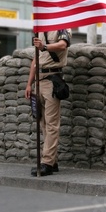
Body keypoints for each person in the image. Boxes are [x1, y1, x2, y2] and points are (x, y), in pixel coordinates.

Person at [25, 29, 71, 176]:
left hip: (52, 79)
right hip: (39, 80)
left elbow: (63, 45)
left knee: (51, 123)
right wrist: (29, 84)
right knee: (43, 123)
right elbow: (35, 60)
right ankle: (53, 161)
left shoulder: (63, 27)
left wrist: (44, 46)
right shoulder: (40, 30)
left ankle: (47, 163)